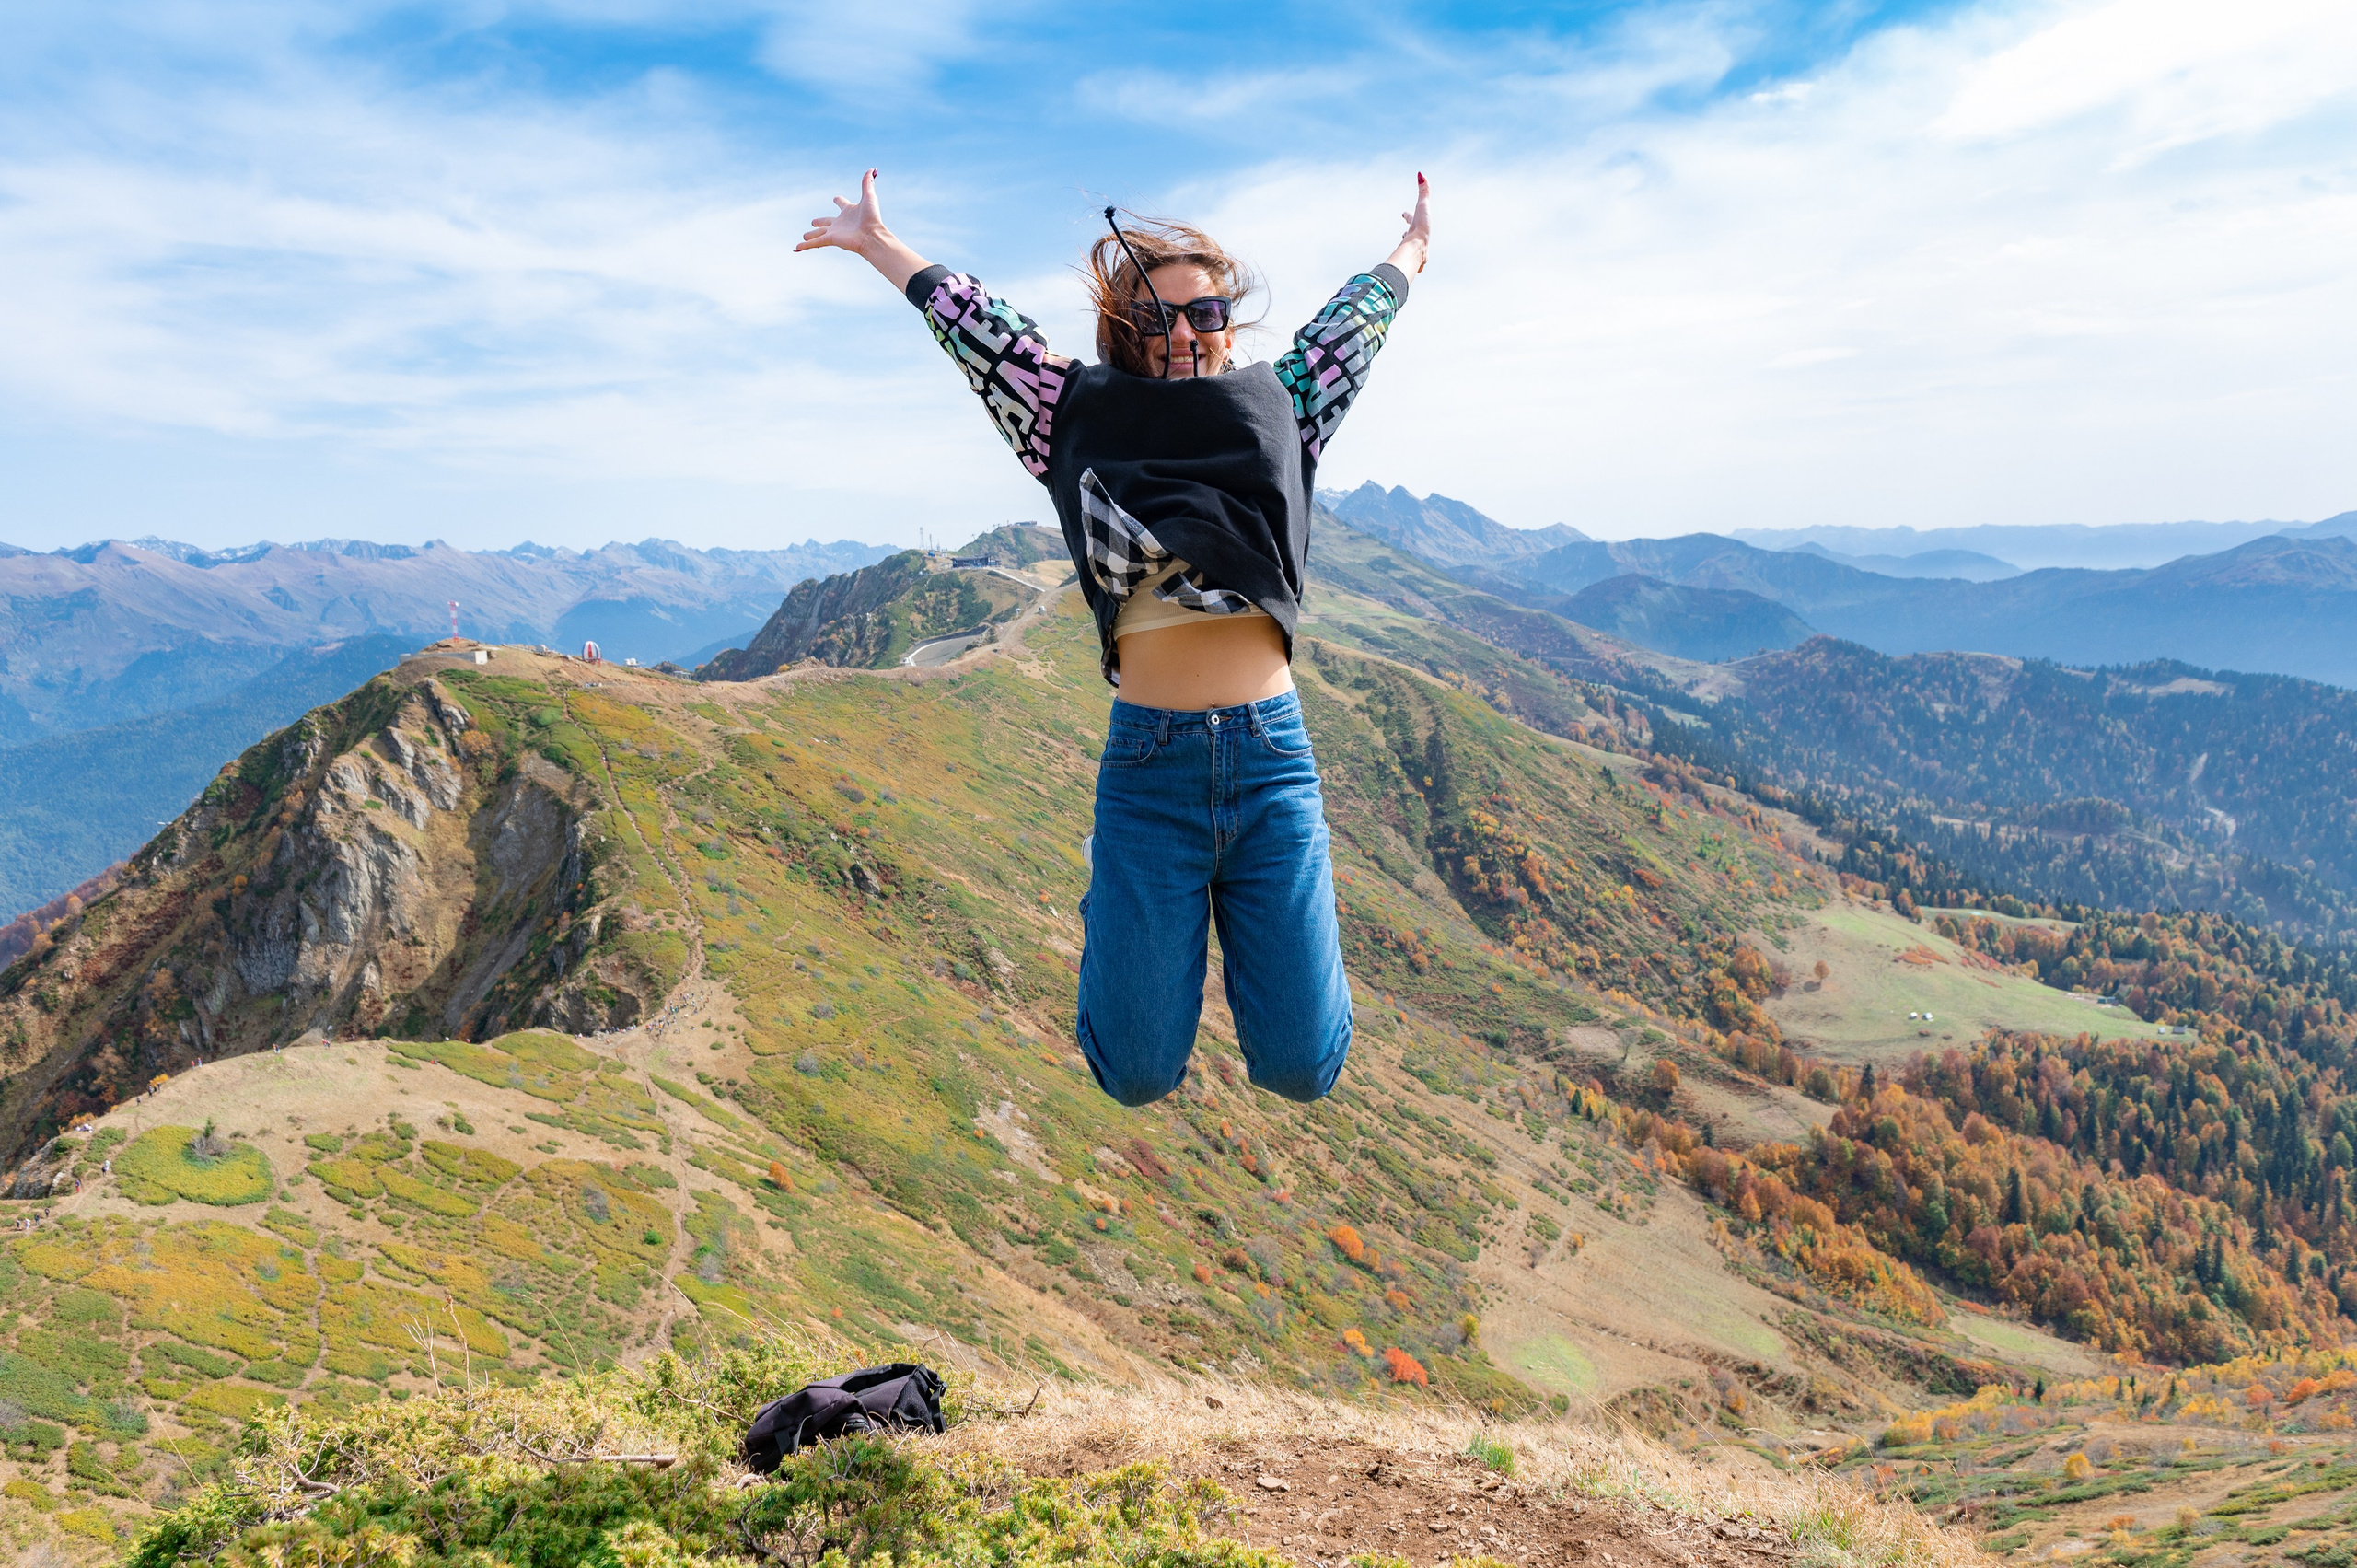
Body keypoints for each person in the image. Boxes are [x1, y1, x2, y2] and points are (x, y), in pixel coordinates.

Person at [798, 170, 1431, 1107]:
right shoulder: (1068, 412)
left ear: (1229, 323)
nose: (1183, 332)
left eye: (1205, 312)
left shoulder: (1284, 402)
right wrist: (879, 244)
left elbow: (1354, 327)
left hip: (1271, 762)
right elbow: (979, 331)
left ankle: (1290, 923)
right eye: (1156, 316)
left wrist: (1413, 246)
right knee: (1134, 1073)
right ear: (1123, 329)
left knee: (1302, 1066)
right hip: (1149, 769)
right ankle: (1118, 894)